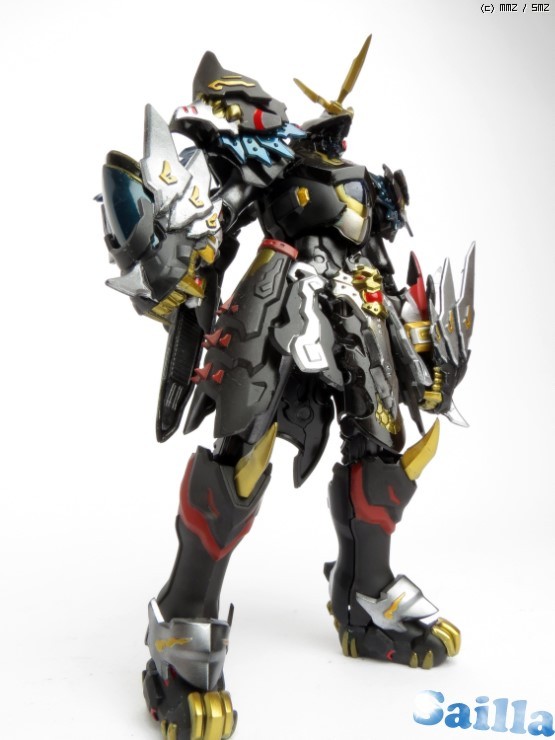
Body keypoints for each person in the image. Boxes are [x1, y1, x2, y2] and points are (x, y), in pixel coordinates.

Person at [100, 36, 474, 740]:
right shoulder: (270, 163)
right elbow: (211, 223)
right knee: (240, 457)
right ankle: (183, 622)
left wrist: (416, 342)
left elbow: (377, 254)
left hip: (363, 308)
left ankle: (366, 596)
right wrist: (175, 256)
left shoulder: (358, 178)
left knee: (383, 455)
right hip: (279, 304)